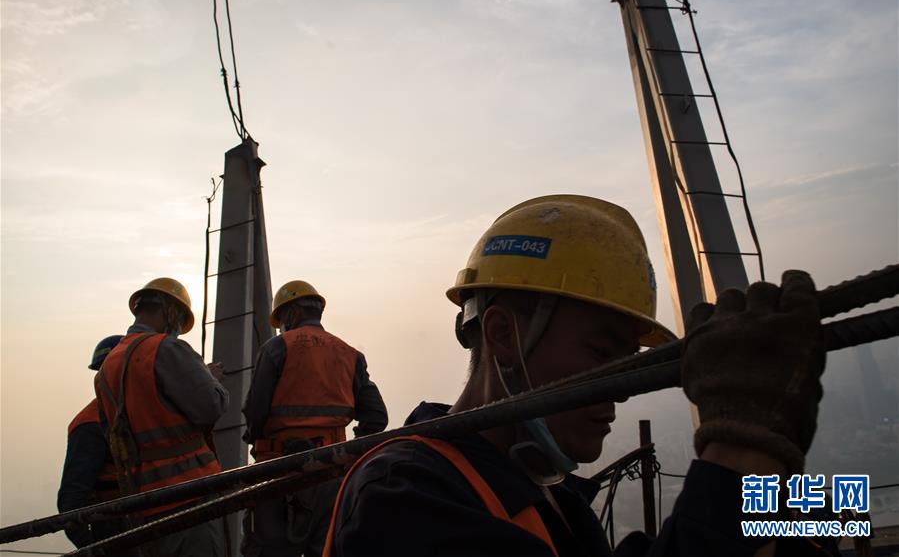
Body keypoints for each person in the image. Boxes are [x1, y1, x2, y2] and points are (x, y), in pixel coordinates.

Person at [322, 194, 830, 557]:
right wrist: (740, 455)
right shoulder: (403, 496)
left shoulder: (552, 496)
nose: (621, 388)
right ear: (503, 334)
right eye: (601, 353)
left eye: (628, 359)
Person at [242, 280, 388, 557]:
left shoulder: (277, 348)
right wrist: (349, 453)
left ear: (292, 313)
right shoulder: (350, 354)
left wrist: (256, 440)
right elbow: (377, 417)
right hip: (331, 475)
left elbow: (255, 412)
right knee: (327, 549)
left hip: (278, 473)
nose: (281, 326)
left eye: (281, 319)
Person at [95, 277, 229, 555]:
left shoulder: (108, 366)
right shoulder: (166, 349)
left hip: (143, 503)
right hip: (189, 495)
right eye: (179, 319)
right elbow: (211, 406)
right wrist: (210, 378)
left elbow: (113, 432)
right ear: (170, 311)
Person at [58, 335, 124, 548]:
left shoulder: (140, 414)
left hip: (154, 523)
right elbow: (72, 500)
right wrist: (94, 549)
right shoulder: (90, 424)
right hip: (117, 531)